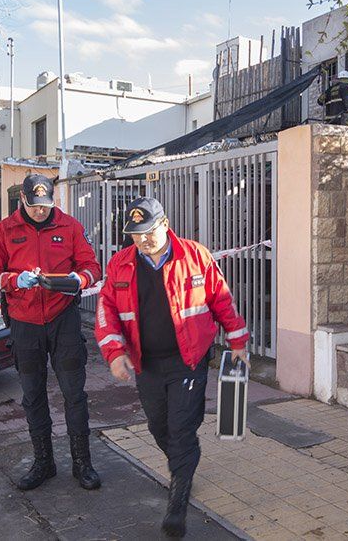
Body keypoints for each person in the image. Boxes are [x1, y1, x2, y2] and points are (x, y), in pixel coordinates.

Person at [95, 197, 249, 538]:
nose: (142, 240)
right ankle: (184, 466)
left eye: (148, 232)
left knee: (181, 428)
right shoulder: (120, 263)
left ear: (165, 225)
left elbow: (221, 299)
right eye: (135, 234)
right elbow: (107, 309)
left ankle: (178, 499)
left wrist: (237, 340)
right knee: (157, 426)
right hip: (146, 363)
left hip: (188, 360)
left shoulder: (195, 255)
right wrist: (115, 353)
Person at [0, 174, 102, 492]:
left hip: (63, 319)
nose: (40, 211)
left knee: (75, 394)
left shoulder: (70, 226)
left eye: (45, 205)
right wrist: (13, 280)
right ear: (23, 199)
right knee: (33, 395)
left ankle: (82, 463)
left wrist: (79, 280)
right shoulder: (3, 230)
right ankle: (44, 462)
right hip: (24, 322)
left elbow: (93, 267)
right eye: (34, 206)